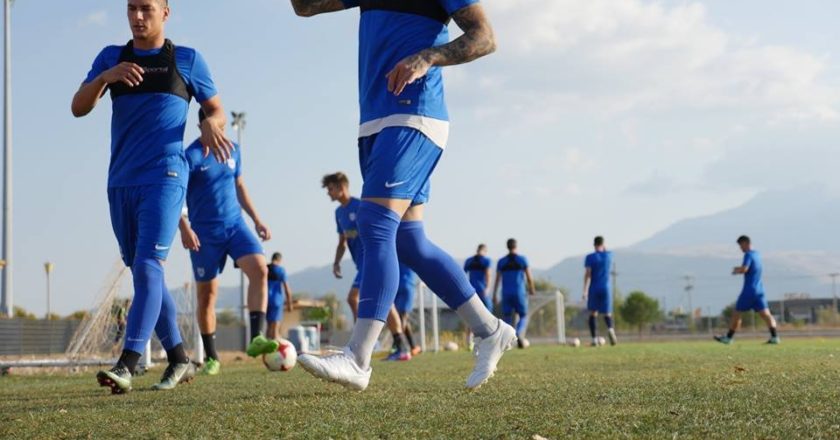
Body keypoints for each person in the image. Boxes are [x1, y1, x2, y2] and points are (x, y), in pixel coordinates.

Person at [293, 0, 514, 391]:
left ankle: (358, 358)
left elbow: (485, 37)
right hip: (374, 122)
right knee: (410, 241)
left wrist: (427, 57)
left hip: (414, 115)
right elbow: (305, 7)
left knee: (375, 223)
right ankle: (490, 329)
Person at [72, 0, 233, 393]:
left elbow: (217, 111)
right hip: (120, 181)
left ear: (165, 13)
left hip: (166, 176)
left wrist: (211, 124)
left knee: (148, 266)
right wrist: (105, 77)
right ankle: (179, 357)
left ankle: (127, 363)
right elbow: (78, 108)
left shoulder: (187, 60)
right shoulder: (111, 57)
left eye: (146, 8)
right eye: (131, 9)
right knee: (143, 270)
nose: (138, 16)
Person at [178, 109, 275, 376]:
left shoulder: (234, 150)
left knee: (260, 269)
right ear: (201, 126)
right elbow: (175, 195)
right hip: (203, 234)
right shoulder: (190, 156)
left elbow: (240, 185)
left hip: (235, 226)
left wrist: (257, 220)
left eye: (221, 126)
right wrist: (184, 228)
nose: (219, 132)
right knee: (207, 295)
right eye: (212, 127)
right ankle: (211, 357)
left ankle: (256, 338)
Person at [322, 172, 412, 361]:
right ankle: (394, 345)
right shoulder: (339, 213)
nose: (328, 193)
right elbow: (342, 242)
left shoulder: (361, 206)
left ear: (341, 187)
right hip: (361, 264)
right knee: (379, 301)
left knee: (356, 298)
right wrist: (337, 262)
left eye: (330, 189)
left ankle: (368, 342)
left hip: (371, 260)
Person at [715, 236, 780, 345]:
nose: (740, 248)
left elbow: (745, 268)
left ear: (746, 243)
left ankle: (728, 338)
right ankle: (775, 337)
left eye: (741, 245)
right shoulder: (757, 254)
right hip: (759, 290)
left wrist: (736, 270)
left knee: (736, 314)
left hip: (749, 290)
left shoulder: (748, 255)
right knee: (766, 314)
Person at [493, 239, 535, 348]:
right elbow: (529, 277)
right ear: (516, 246)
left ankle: (507, 339)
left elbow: (497, 279)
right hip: (519, 292)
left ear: (507, 247)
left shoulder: (501, 261)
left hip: (506, 292)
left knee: (507, 316)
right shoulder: (522, 259)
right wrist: (532, 289)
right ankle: (518, 333)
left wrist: (494, 294)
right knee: (523, 315)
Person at [583, 236, 617, 346]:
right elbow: (606, 250)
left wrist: (585, 290)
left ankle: (594, 339)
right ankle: (610, 329)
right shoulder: (609, 255)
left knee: (593, 313)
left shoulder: (590, 257)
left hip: (594, 287)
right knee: (607, 313)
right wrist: (604, 248)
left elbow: (588, 274)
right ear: (603, 244)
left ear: (594, 245)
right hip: (606, 287)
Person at [394, 264, 422, 356]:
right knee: (402, 318)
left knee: (400, 318)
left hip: (396, 285)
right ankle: (400, 347)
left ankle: (410, 347)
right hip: (406, 285)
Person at [266, 252, 294, 340]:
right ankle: (275, 346)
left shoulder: (265, 269)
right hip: (276, 300)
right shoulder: (281, 270)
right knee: (275, 328)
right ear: (280, 260)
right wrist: (289, 304)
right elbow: (287, 289)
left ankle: (266, 347)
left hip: (265, 300)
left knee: (268, 327)